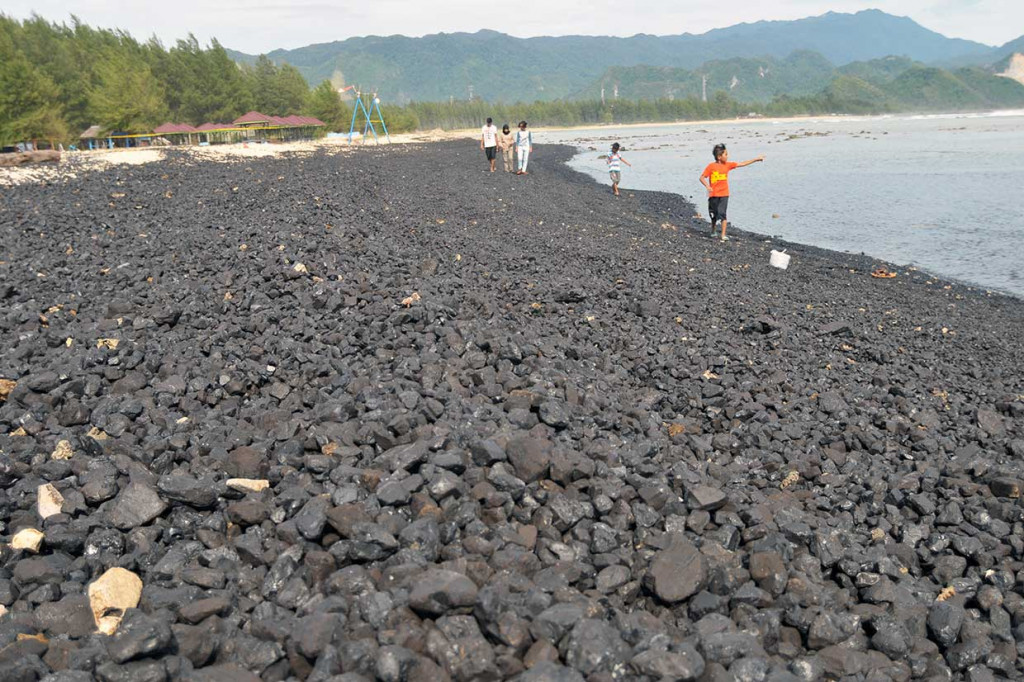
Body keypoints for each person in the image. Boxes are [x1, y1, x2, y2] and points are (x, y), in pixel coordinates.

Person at [699, 143, 764, 242]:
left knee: (723, 214)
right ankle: (713, 230)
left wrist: (756, 159)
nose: (728, 156)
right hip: (713, 195)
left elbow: (742, 163)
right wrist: (707, 186)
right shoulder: (711, 166)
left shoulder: (728, 165)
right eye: (726, 154)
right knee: (714, 215)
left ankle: (723, 235)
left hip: (724, 194)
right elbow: (702, 178)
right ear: (719, 157)